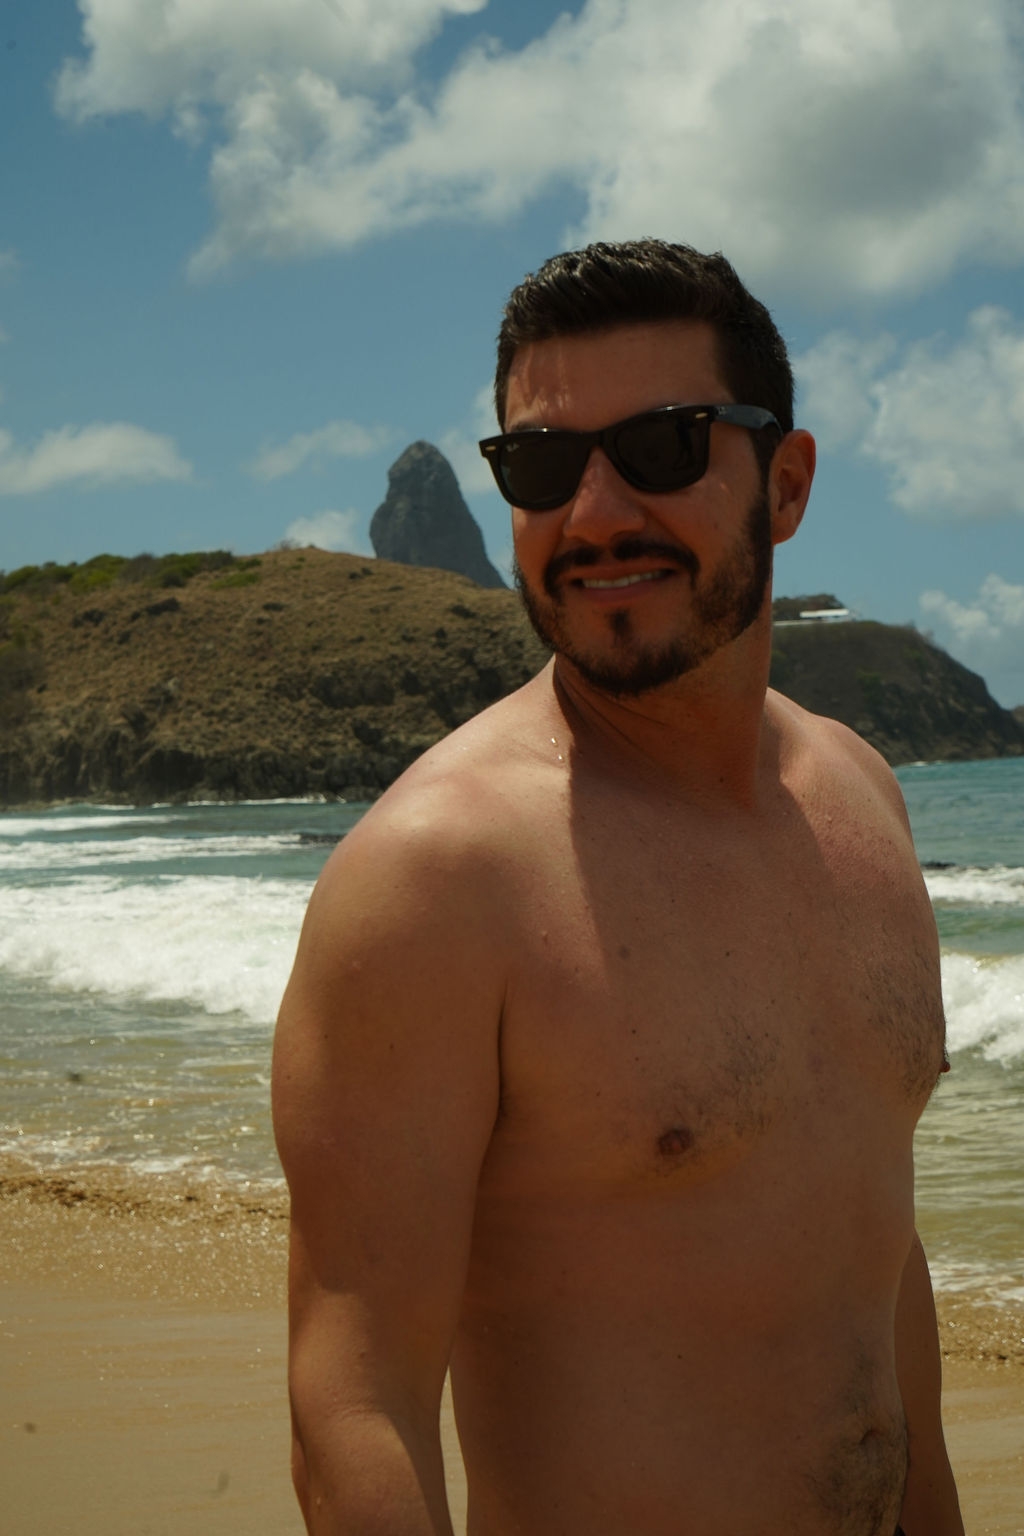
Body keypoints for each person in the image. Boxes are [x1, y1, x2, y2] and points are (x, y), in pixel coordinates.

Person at [272, 239, 964, 1535]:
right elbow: (353, 1402)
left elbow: (875, 1257)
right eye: (542, 467)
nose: (593, 513)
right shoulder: (435, 881)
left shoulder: (863, 798)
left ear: (787, 482)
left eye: (661, 446)